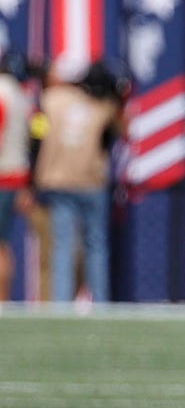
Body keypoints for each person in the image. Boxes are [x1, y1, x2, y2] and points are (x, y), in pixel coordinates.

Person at [33, 54, 122, 304]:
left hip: (59, 180)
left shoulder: (50, 99)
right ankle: (101, 303)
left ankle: (61, 304)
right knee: (96, 245)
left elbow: (36, 138)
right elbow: (115, 134)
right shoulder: (103, 103)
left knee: (62, 246)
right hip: (91, 181)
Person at [0, 51, 30, 302]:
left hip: (2, 176)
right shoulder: (22, 96)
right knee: (4, 245)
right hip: (17, 177)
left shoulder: (2, 92)